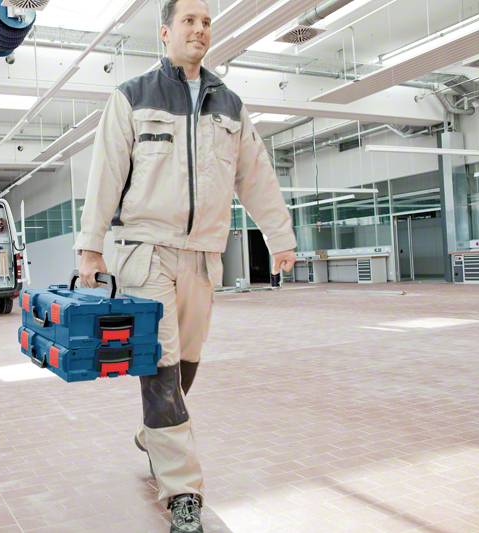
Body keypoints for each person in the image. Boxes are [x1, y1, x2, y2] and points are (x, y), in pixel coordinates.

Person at [74, 0, 297, 531]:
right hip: (144, 249)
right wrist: (90, 245)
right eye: (189, 21)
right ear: (165, 32)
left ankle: (154, 432)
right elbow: (105, 173)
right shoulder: (132, 98)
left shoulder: (231, 106)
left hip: (203, 255)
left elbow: (256, 177)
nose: (199, 30)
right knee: (163, 360)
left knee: (189, 358)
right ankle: (182, 492)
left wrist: (281, 237)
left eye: (206, 22)